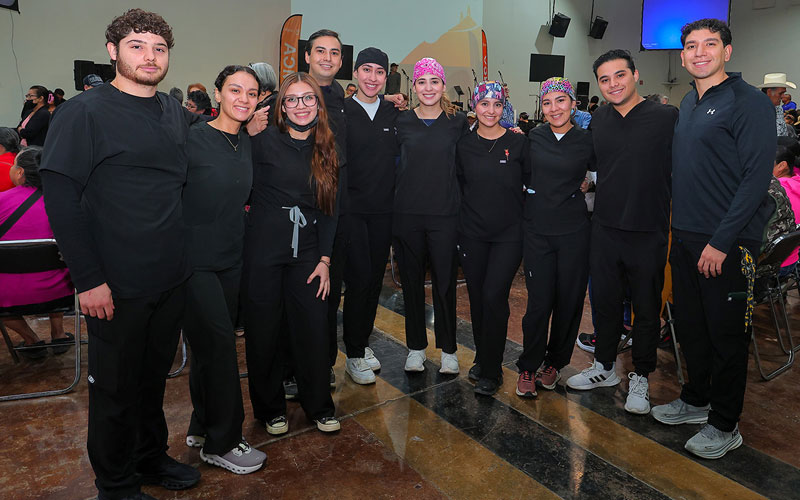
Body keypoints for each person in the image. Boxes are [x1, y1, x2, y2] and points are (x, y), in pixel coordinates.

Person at [39, 9, 202, 499]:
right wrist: (88, 279)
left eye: (159, 48)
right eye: (137, 45)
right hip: (114, 282)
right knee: (114, 387)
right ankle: (115, 484)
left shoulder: (173, 110)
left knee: (153, 380)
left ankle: (149, 457)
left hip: (170, 277)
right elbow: (61, 198)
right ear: (113, 51)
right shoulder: (83, 113)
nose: (150, 56)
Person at [651, 18, 774, 460]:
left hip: (728, 242)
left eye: (709, 44)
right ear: (682, 55)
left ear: (727, 51)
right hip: (685, 238)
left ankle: (724, 423)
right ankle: (695, 399)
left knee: (726, 337)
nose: (699, 52)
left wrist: (721, 241)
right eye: (691, 45)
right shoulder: (690, 101)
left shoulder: (749, 102)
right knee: (691, 329)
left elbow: (755, 179)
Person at [565, 49, 678, 417]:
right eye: (605, 79)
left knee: (645, 308)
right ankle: (604, 367)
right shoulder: (599, 119)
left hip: (648, 229)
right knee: (605, 304)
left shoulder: (666, 117)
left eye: (620, 75)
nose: (613, 84)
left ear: (635, 75)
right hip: (605, 228)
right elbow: (590, 165)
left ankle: (641, 376)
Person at [243, 71, 342, 435]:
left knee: (314, 329)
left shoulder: (327, 146)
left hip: (309, 252)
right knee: (264, 331)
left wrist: (325, 260)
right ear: (281, 106)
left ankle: (319, 406)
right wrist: (246, 130)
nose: (301, 106)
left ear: (318, 104)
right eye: (292, 99)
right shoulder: (261, 141)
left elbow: (331, 210)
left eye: (308, 98)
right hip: (263, 250)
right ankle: (270, 410)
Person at [181, 65, 267, 474]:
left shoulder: (245, 140)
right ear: (217, 94)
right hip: (192, 262)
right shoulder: (192, 139)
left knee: (207, 349)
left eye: (251, 93)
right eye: (235, 90)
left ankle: (202, 424)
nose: (243, 99)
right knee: (218, 347)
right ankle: (224, 441)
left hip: (231, 260)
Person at [516, 77, 593, 398]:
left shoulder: (587, 140)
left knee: (569, 301)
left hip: (574, 232)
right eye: (547, 103)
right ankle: (528, 365)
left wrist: (590, 183)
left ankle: (554, 363)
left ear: (573, 104)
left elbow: (605, 172)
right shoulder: (532, 138)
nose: (554, 108)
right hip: (538, 232)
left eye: (560, 101)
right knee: (538, 303)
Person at [394, 57, 469, 373]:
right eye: (422, 82)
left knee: (445, 283)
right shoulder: (401, 122)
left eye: (434, 81)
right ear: (414, 87)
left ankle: (449, 349)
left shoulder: (458, 122)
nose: (428, 88)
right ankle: (416, 348)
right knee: (411, 283)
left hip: (445, 215)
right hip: (407, 215)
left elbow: (471, 162)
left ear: (442, 86)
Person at [456, 81, 529, 395]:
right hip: (472, 233)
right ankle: (483, 356)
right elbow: (458, 186)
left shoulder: (519, 142)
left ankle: (492, 369)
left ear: (504, 108)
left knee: (493, 296)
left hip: (509, 235)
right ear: (475, 106)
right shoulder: (463, 144)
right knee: (476, 297)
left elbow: (533, 182)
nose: (490, 110)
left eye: (497, 104)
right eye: (484, 104)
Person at [341, 47, 399, 384]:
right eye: (366, 70)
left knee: (375, 280)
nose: (372, 77)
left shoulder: (394, 113)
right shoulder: (342, 111)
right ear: (356, 73)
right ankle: (353, 352)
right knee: (359, 279)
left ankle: (361, 342)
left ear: (386, 76)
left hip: (384, 212)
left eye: (379, 71)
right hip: (352, 212)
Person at [1, 147, 74, 359]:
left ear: (20, 172)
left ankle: (31, 340)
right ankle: (58, 333)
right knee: (58, 263)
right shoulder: (64, 203)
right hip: (60, 291)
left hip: (6, 295)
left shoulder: (2, 201)